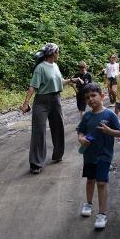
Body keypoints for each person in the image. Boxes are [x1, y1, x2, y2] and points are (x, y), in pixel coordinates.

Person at [21, 43, 79, 174]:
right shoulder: (40, 68)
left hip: (56, 100)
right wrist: (26, 103)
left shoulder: (55, 66)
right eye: (58, 52)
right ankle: (36, 163)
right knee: (39, 131)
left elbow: (60, 81)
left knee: (58, 127)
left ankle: (58, 154)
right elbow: (33, 86)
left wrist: (72, 80)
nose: (58, 54)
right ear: (53, 53)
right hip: (41, 101)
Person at [77, 83, 120, 230]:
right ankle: (88, 204)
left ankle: (102, 214)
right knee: (90, 180)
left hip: (104, 154)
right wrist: (81, 138)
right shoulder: (86, 116)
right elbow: (80, 131)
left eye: (93, 95)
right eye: (87, 97)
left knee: (101, 183)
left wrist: (109, 131)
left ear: (102, 96)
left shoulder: (110, 115)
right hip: (89, 155)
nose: (90, 99)